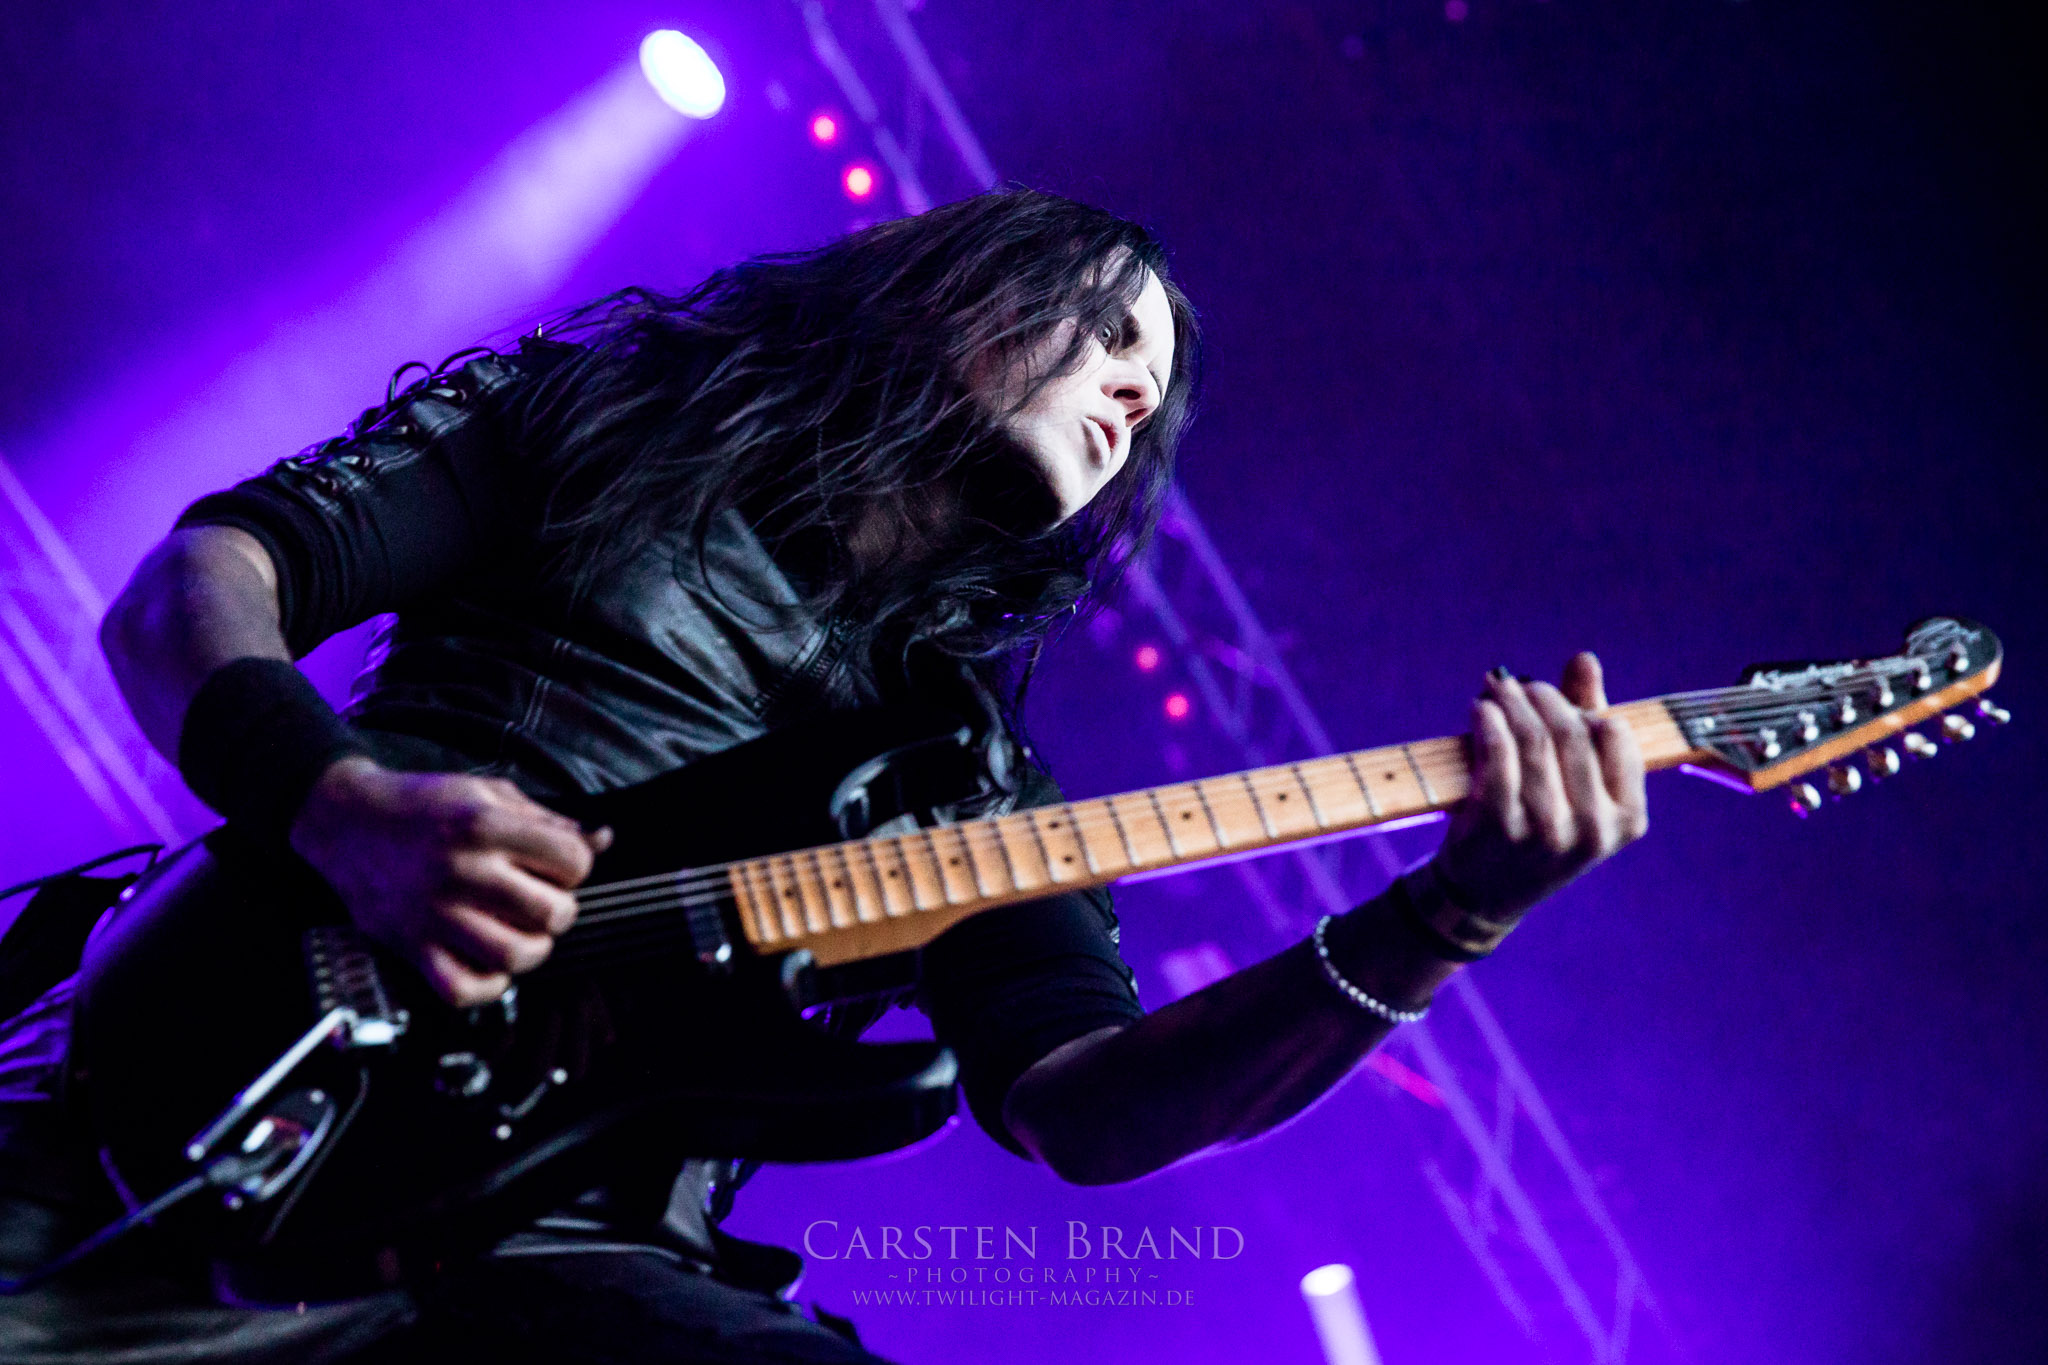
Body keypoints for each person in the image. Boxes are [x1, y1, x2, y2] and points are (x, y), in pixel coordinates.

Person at [0, 188, 1646, 1363]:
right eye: (1104, 331)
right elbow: (199, 584)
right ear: (946, 290)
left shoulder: (974, 784)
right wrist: (344, 802)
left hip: (572, 1249)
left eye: (1153, 394)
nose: (1138, 394)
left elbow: (1086, 1105)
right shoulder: (597, 421)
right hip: (231, 1054)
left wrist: (1444, 918)